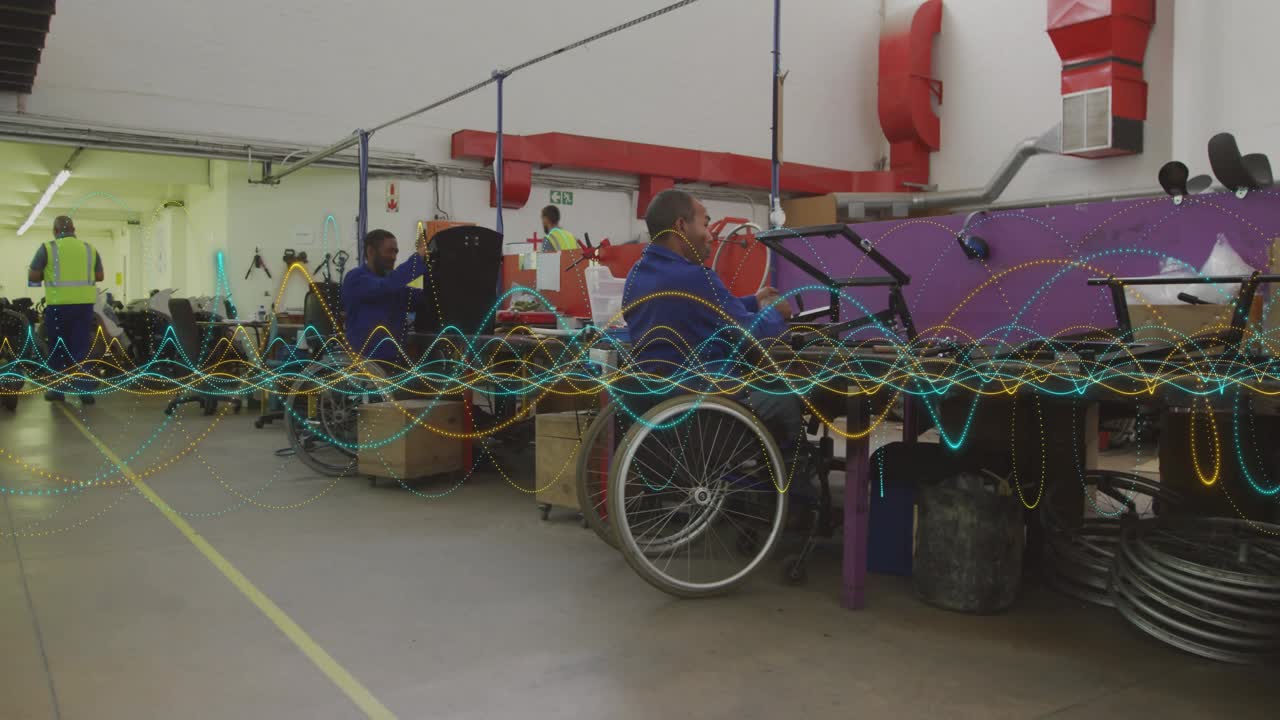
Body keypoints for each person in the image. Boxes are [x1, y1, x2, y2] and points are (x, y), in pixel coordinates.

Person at [620, 189, 803, 446]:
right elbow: (752, 333)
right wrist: (775, 313)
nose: (711, 236)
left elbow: (693, 307)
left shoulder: (636, 277)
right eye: (705, 224)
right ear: (681, 226)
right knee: (783, 397)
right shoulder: (696, 278)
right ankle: (795, 483)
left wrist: (753, 300)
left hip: (659, 402)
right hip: (704, 397)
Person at [28, 215, 103, 404]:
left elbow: (34, 276)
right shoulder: (89, 248)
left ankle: (57, 391)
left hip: (58, 306)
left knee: (58, 348)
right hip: (84, 307)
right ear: (74, 229)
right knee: (81, 347)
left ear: (55, 231)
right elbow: (100, 276)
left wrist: (47, 274)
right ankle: (84, 391)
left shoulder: (47, 248)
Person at [341, 228, 431, 363]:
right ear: (371, 251)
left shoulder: (393, 283)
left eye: (396, 252)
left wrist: (431, 274)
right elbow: (386, 286)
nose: (394, 257)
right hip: (365, 364)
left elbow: (415, 298)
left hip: (393, 361)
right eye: (389, 251)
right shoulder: (356, 278)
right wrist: (418, 258)